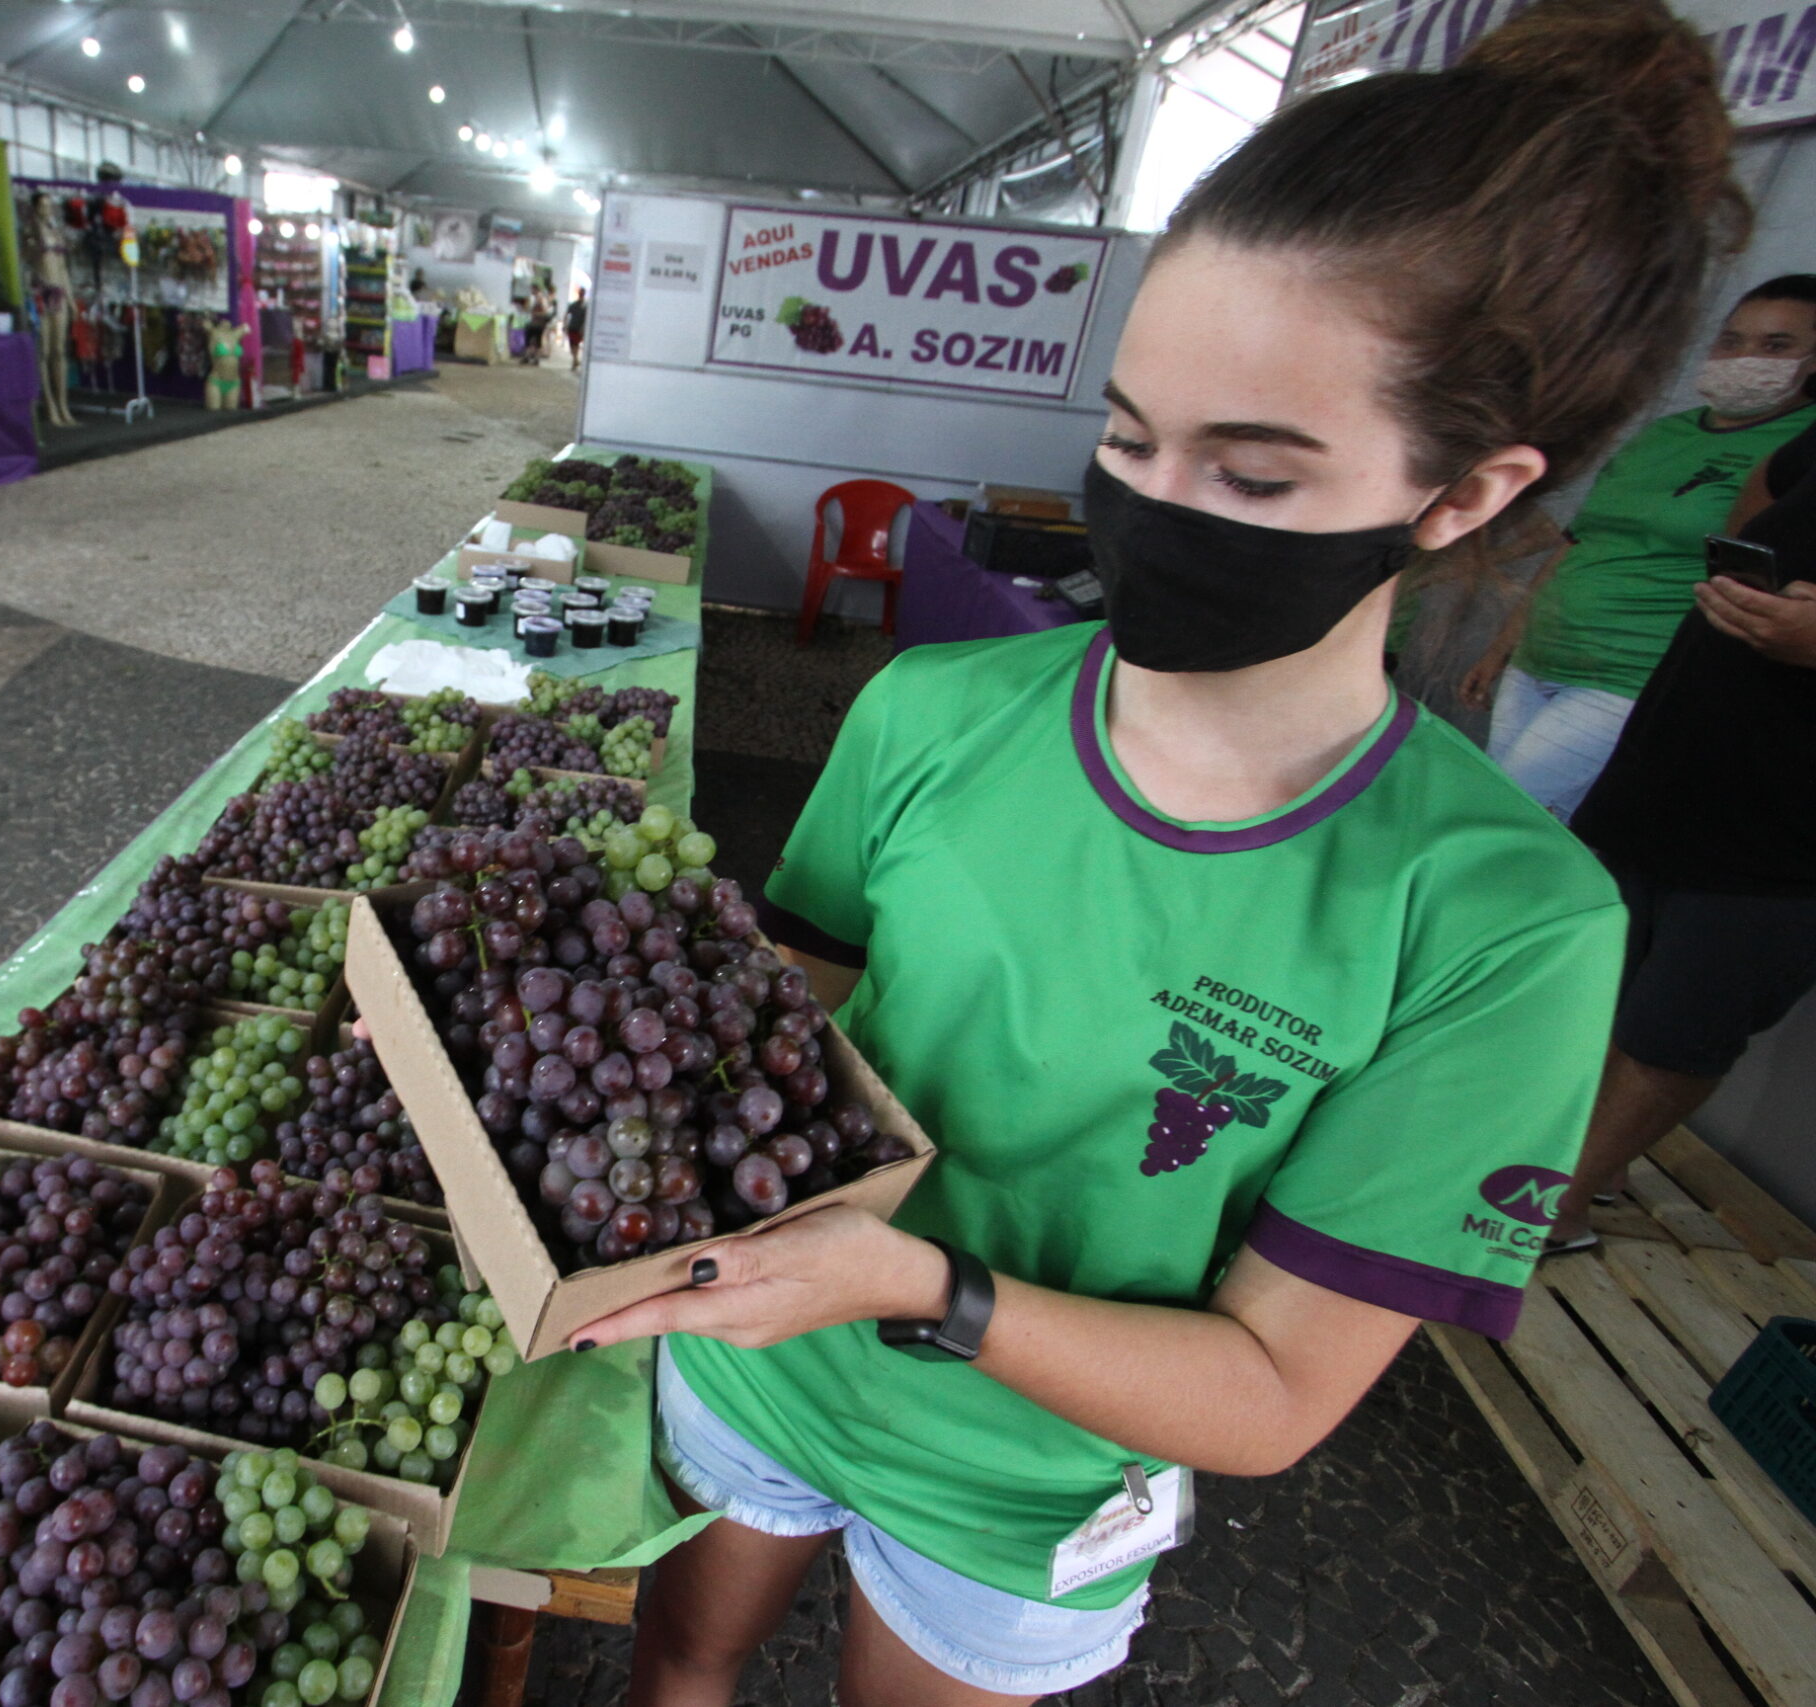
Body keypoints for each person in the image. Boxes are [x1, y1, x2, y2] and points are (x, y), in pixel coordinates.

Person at [565, 5, 1742, 1703]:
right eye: (1126, 438)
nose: (1153, 506)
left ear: (1464, 493)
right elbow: (779, 1031)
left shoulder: (1504, 921)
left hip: (1026, 1477)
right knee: (677, 1663)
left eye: (1254, 474)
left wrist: (930, 1285)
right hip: (755, 1367)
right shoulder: (935, 710)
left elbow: (1269, 1393)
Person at [1542, 409, 1816, 1251]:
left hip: (1788, 818)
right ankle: (1585, 1160)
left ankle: (1561, 1205)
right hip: (1687, 750)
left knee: (1688, 1010)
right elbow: (1764, 494)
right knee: (1605, 974)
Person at [1461, 276, 1816, 817]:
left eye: (1776, 346)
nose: (1744, 357)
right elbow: (1580, 541)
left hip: (1634, 672)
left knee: (1495, 816)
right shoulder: (1665, 434)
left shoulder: (1795, 449)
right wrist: (1506, 640)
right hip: (1543, 656)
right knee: (1512, 818)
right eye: (1731, 339)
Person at [565, 287, 588, 371]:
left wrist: (583, 328)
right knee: (572, 345)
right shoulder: (574, 305)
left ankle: (574, 361)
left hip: (579, 328)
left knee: (576, 345)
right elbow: (567, 314)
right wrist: (565, 324)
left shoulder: (586, 306)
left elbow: (586, 318)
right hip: (572, 327)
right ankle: (575, 360)